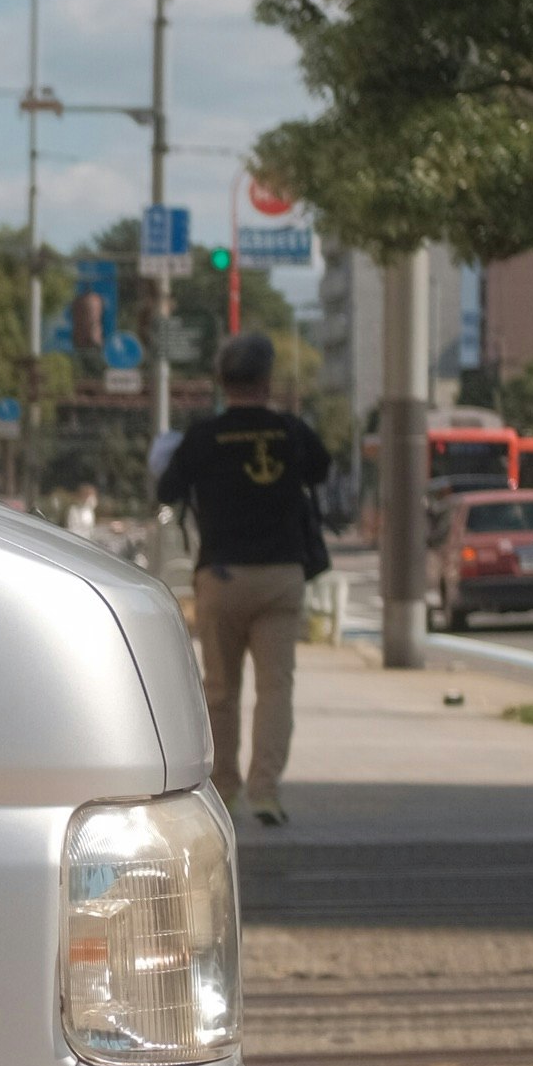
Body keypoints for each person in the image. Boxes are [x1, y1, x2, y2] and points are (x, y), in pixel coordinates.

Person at [156, 330, 333, 828]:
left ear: (221, 381)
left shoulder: (204, 437)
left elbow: (167, 489)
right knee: (276, 689)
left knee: (220, 690)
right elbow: (321, 470)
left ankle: (226, 790)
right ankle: (266, 793)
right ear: (267, 379)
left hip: (223, 575)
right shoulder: (291, 432)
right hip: (281, 574)